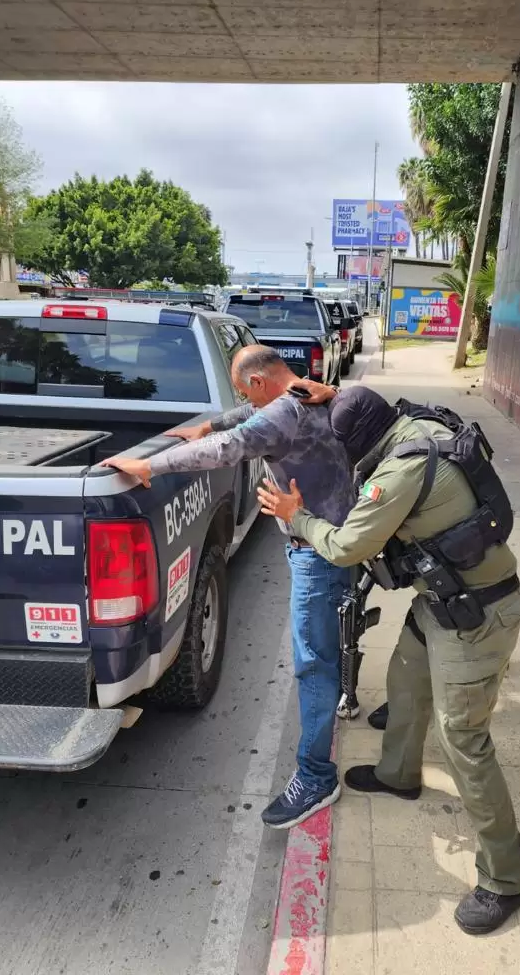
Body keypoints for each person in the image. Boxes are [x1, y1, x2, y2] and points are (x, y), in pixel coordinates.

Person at [256, 384, 520, 934]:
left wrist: (297, 514)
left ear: (360, 441)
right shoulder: (413, 426)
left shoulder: (397, 473)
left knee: (464, 740)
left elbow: (346, 547)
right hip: (441, 602)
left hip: (478, 617)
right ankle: (398, 773)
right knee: (405, 677)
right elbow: (368, 407)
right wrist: (333, 397)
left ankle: (507, 878)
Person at [101, 345, 355, 830]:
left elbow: (227, 449)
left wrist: (151, 466)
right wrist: (212, 422)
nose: (245, 402)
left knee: (312, 665)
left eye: (245, 392)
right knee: (330, 645)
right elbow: (245, 417)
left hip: (316, 553)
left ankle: (317, 776)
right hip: (339, 538)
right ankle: (336, 706)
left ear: (259, 382)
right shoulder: (309, 392)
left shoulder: (282, 413)